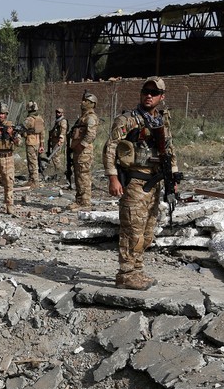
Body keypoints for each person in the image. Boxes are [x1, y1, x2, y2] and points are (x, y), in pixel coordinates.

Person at [103, 76, 180, 291]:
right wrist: (112, 177)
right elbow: (110, 148)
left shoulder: (162, 122)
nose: (149, 95)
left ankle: (136, 270)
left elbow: (170, 151)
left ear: (161, 97)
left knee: (147, 233)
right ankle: (126, 274)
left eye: (154, 93)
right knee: (132, 231)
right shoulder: (127, 120)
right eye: (146, 91)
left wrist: (173, 178)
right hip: (135, 182)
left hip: (154, 184)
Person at [68, 92, 99, 209]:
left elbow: (91, 135)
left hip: (84, 152)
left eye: (85, 101)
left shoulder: (91, 117)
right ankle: (79, 200)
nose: (82, 103)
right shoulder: (83, 117)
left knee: (83, 176)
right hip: (78, 150)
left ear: (92, 104)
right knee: (78, 175)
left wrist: (81, 146)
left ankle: (84, 202)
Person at [20, 101, 45, 188]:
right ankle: (32, 180)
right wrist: (42, 145)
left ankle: (34, 181)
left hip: (31, 141)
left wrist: (22, 134)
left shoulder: (29, 119)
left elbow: (22, 129)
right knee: (34, 162)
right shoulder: (40, 118)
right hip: (37, 142)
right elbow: (42, 132)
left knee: (32, 162)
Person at [46, 107, 67, 181]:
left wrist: (60, 140)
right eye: (57, 112)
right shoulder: (57, 121)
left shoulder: (62, 121)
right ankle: (57, 173)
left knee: (55, 157)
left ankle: (61, 173)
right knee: (54, 157)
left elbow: (63, 131)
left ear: (62, 113)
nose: (57, 114)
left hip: (58, 141)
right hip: (54, 141)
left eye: (59, 112)